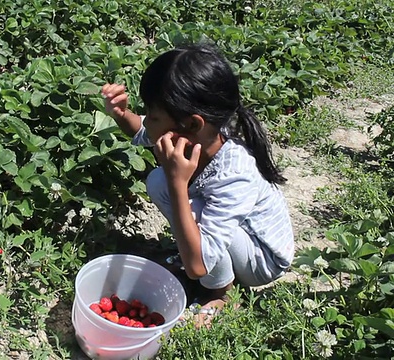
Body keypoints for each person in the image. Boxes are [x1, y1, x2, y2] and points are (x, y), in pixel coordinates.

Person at [101, 42, 295, 326]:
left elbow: (197, 266)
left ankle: (223, 293)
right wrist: (121, 114)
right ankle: (211, 263)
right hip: (228, 236)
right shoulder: (205, 132)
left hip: (260, 258)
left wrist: (177, 181)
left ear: (192, 124)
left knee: (183, 200)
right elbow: (143, 129)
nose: (148, 121)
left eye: (154, 115)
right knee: (159, 181)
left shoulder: (235, 173)